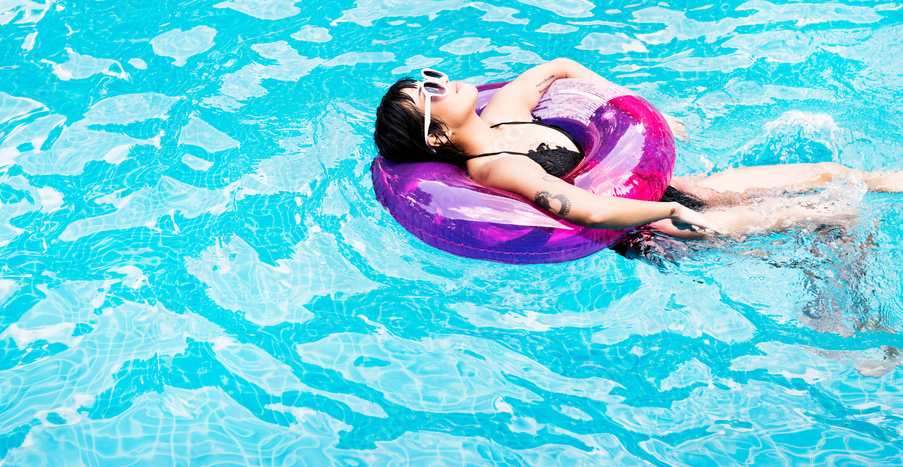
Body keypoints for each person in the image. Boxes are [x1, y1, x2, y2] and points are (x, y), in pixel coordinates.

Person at [373, 58, 903, 260]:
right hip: (651, 231)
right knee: (833, 218)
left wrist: (643, 112)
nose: (437, 82)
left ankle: (883, 180)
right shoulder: (495, 167)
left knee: (836, 177)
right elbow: (588, 212)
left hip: (665, 190)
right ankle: (841, 339)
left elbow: (556, 68)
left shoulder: (507, 111)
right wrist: (665, 214)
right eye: (430, 93)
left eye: (429, 78)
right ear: (438, 138)